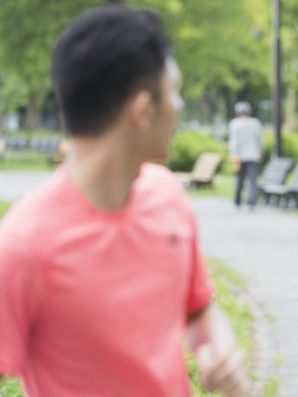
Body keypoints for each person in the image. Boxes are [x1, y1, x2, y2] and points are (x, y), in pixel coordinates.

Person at [0, 6, 251, 397]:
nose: (180, 107)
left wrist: (216, 343)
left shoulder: (168, 196)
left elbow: (198, 308)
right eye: (175, 91)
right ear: (143, 110)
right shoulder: (23, 246)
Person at [228, 101, 263, 209]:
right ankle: (252, 201)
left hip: (238, 156)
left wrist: (232, 155)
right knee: (252, 180)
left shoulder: (234, 124)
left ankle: (238, 201)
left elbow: (233, 142)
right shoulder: (255, 123)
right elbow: (260, 140)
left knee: (239, 180)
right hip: (253, 156)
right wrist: (260, 152)